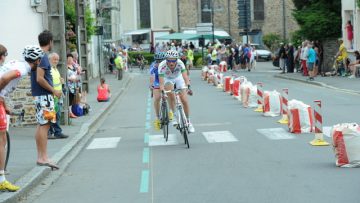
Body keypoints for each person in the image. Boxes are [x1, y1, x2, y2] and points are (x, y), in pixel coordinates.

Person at [0, 45, 44, 191]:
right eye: (40, 60)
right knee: (1, 140)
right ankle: (1, 180)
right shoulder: (23, 69)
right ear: (36, 61)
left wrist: (3, 101)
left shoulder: (16, 63)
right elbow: (5, 78)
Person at [33, 30, 62, 170]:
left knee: (41, 125)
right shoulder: (44, 57)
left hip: (40, 96)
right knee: (46, 126)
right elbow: (40, 78)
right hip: (46, 97)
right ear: (50, 41)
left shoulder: (36, 56)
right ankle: (43, 157)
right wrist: (54, 90)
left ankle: (41, 156)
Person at [158, 50, 195, 133]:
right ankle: (174, 115)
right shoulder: (162, 66)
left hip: (178, 78)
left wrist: (188, 86)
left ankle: (188, 122)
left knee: (184, 100)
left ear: (176, 60)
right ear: (166, 60)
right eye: (169, 60)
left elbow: (185, 77)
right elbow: (161, 84)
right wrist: (162, 91)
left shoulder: (180, 63)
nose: (171, 63)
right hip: (167, 79)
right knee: (170, 94)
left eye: (173, 60)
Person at [48, 53, 69, 139]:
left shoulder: (55, 69)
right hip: (51, 96)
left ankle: (56, 132)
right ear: (50, 60)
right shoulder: (49, 69)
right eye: (54, 59)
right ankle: (51, 132)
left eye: (57, 59)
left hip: (58, 96)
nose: (56, 61)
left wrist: (62, 82)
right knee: (51, 115)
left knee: (57, 115)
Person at [150, 52, 164, 130]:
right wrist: (151, 85)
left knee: (171, 94)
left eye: (161, 61)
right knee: (157, 98)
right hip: (157, 82)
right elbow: (152, 76)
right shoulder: (153, 65)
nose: (159, 63)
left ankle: (171, 112)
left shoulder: (166, 64)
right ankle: (157, 117)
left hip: (166, 80)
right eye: (157, 61)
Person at [66, 54, 77, 118]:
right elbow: (64, 77)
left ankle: (71, 112)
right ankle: (70, 113)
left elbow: (76, 74)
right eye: (69, 59)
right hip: (69, 86)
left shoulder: (74, 67)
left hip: (74, 85)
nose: (70, 60)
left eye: (71, 59)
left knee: (72, 99)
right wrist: (70, 79)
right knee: (69, 99)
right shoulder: (65, 67)